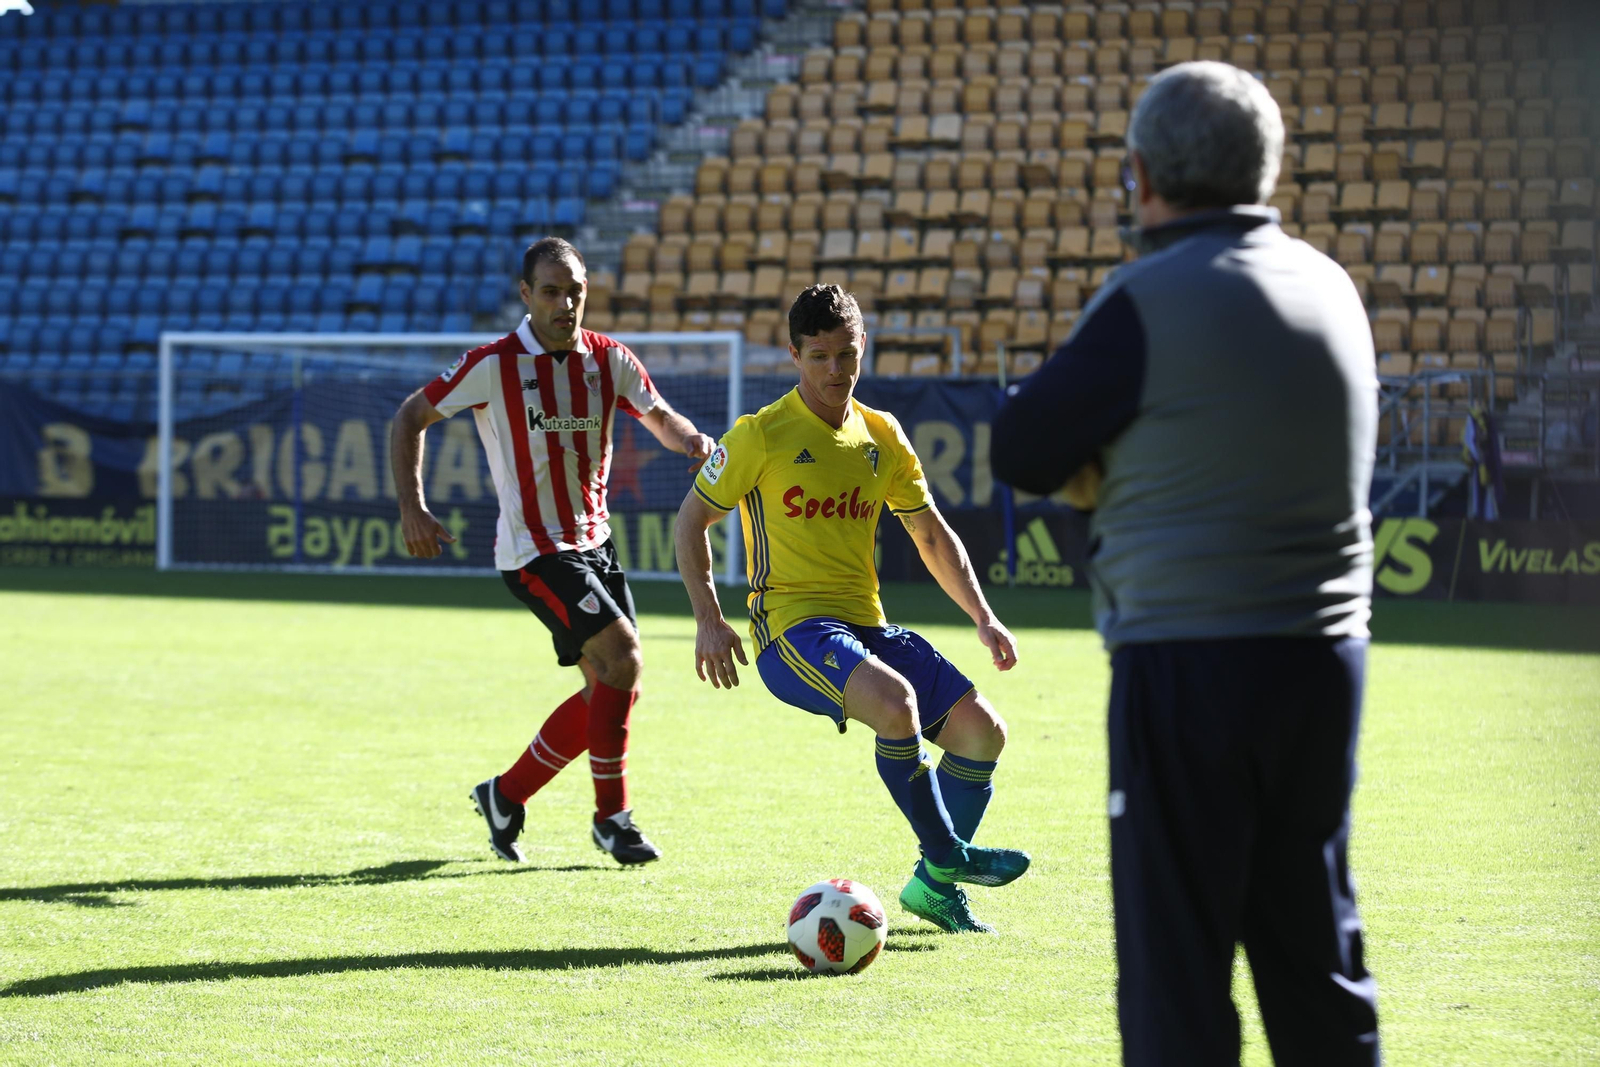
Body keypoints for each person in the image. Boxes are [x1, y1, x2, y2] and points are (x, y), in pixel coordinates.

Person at [991, 62, 1381, 1066]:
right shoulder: (1330, 285)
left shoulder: (1147, 295)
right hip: (1325, 659)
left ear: (1140, 173)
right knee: (1316, 960)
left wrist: (1111, 469)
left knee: (1178, 980)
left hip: (1188, 664)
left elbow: (1021, 448)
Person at [674, 284, 1031, 934]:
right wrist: (708, 617)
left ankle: (933, 889)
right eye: (819, 357)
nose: (836, 370)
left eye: (847, 354)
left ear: (863, 345)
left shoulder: (882, 433)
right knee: (896, 703)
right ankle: (948, 854)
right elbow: (690, 519)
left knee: (983, 731)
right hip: (791, 632)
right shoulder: (760, 434)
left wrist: (983, 615)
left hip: (865, 625)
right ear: (794, 355)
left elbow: (930, 534)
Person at [391, 236, 716, 867]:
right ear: (525, 294)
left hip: (596, 542)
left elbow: (660, 416)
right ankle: (612, 821)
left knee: (613, 688)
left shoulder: (609, 358)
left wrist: (693, 441)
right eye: (550, 292)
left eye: (575, 291)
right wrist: (413, 506)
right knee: (622, 660)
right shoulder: (494, 364)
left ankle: (504, 795)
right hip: (534, 551)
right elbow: (410, 416)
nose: (565, 304)